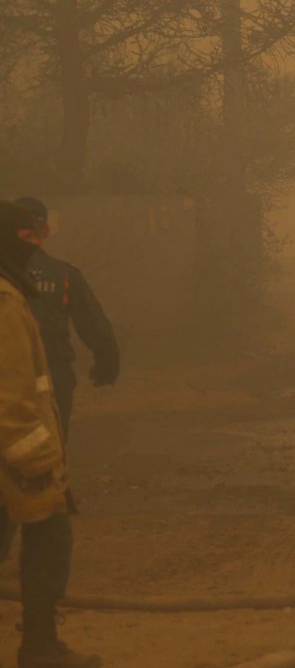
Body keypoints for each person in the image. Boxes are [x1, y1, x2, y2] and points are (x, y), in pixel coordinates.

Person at [0, 200, 100, 668]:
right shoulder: (4, 301)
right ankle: (39, 647)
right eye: (25, 241)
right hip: (15, 455)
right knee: (50, 534)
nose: (32, 251)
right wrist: (41, 467)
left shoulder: (14, 291)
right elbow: (13, 398)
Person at [14, 199, 118, 439]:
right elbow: (94, 324)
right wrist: (106, 364)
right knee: (52, 447)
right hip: (53, 375)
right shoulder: (64, 275)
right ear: (46, 232)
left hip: (8, 375)